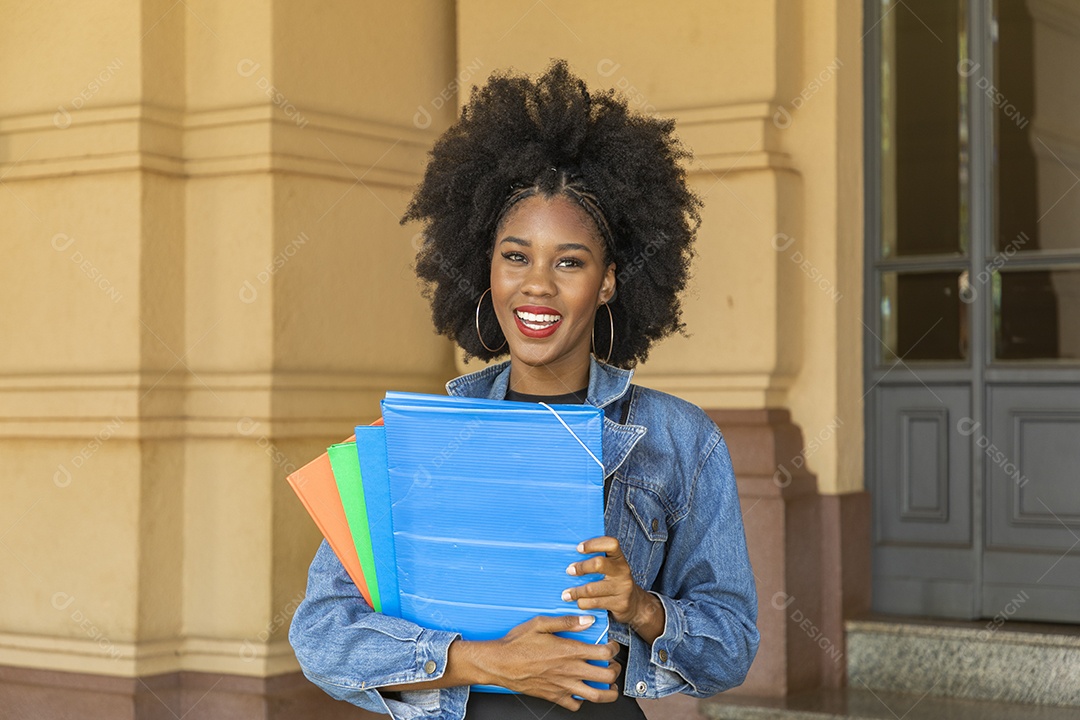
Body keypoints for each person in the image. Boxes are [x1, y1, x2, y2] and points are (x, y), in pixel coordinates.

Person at [289, 59, 759, 719]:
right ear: (486, 268)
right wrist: (483, 662)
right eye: (516, 256)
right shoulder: (417, 440)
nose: (536, 285)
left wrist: (640, 607)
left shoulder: (680, 441)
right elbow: (320, 634)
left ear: (609, 282)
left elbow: (732, 646)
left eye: (570, 261)